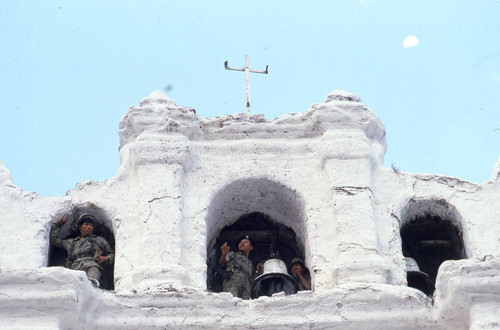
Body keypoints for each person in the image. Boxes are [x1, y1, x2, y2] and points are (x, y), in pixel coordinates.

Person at [50, 213, 114, 288]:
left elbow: (112, 253)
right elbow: (53, 240)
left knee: (91, 285)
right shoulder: (71, 243)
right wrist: (59, 224)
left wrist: (105, 258)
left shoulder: (99, 240)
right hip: (75, 268)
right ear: (80, 227)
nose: (89, 227)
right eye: (86, 224)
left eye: (91, 225)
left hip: (91, 266)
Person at [219, 235, 255, 299]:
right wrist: (224, 254)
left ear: (251, 247)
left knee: (243, 305)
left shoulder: (250, 263)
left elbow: (250, 279)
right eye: (240, 243)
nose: (242, 244)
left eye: (245, 242)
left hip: (245, 286)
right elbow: (222, 263)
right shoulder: (233, 254)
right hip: (233, 280)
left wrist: (258, 271)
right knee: (231, 301)